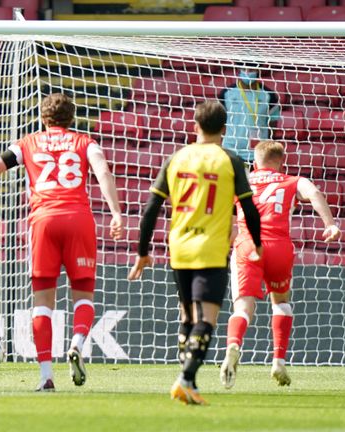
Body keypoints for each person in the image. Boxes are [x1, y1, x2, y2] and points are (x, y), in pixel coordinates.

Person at [0, 93, 124, 392]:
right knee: (83, 296)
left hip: (43, 221)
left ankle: (46, 375)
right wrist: (116, 213)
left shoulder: (27, 143)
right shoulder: (85, 142)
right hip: (78, 219)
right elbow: (103, 172)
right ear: (71, 118)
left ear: (43, 119)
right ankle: (77, 343)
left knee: (42, 303)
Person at [128, 100, 263, 405]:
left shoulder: (177, 158)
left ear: (195, 126)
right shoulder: (230, 160)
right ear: (225, 130)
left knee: (187, 315)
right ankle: (185, 378)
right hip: (211, 249)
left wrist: (142, 251)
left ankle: (187, 382)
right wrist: (257, 242)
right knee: (208, 319)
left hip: (180, 247)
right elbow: (249, 208)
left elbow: (151, 209)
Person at [220, 140, 341, 389]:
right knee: (282, 303)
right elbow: (315, 193)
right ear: (281, 162)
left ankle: (233, 345)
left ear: (255, 162)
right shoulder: (293, 180)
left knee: (243, 307)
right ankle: (278, 360)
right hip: (279, 247)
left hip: (248, 244)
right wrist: (329, 224)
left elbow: (229, 221)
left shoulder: (241, 182)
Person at [218, 63, 280, 163]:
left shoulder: (269, 95)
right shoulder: (226, 93)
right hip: (230, 151)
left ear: (258, 71)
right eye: (244, 69)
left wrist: (266, 145)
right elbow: (220, 122)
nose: (247, 73)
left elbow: (273, 123)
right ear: (238, 70)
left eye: (251, 70)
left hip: (258, 153)